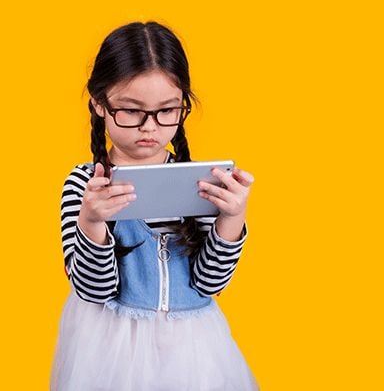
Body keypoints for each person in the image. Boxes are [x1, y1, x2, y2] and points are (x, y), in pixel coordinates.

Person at [50, 21, 259, 390]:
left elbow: (209, 284)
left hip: (193, 349)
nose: (150, 127)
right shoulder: (85, 185)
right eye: (131, 111)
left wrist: (232, 218)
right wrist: (92, 222)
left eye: (167, 110)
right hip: (110, 350)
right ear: (99, 104)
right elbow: (93, 290)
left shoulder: (198, 183)